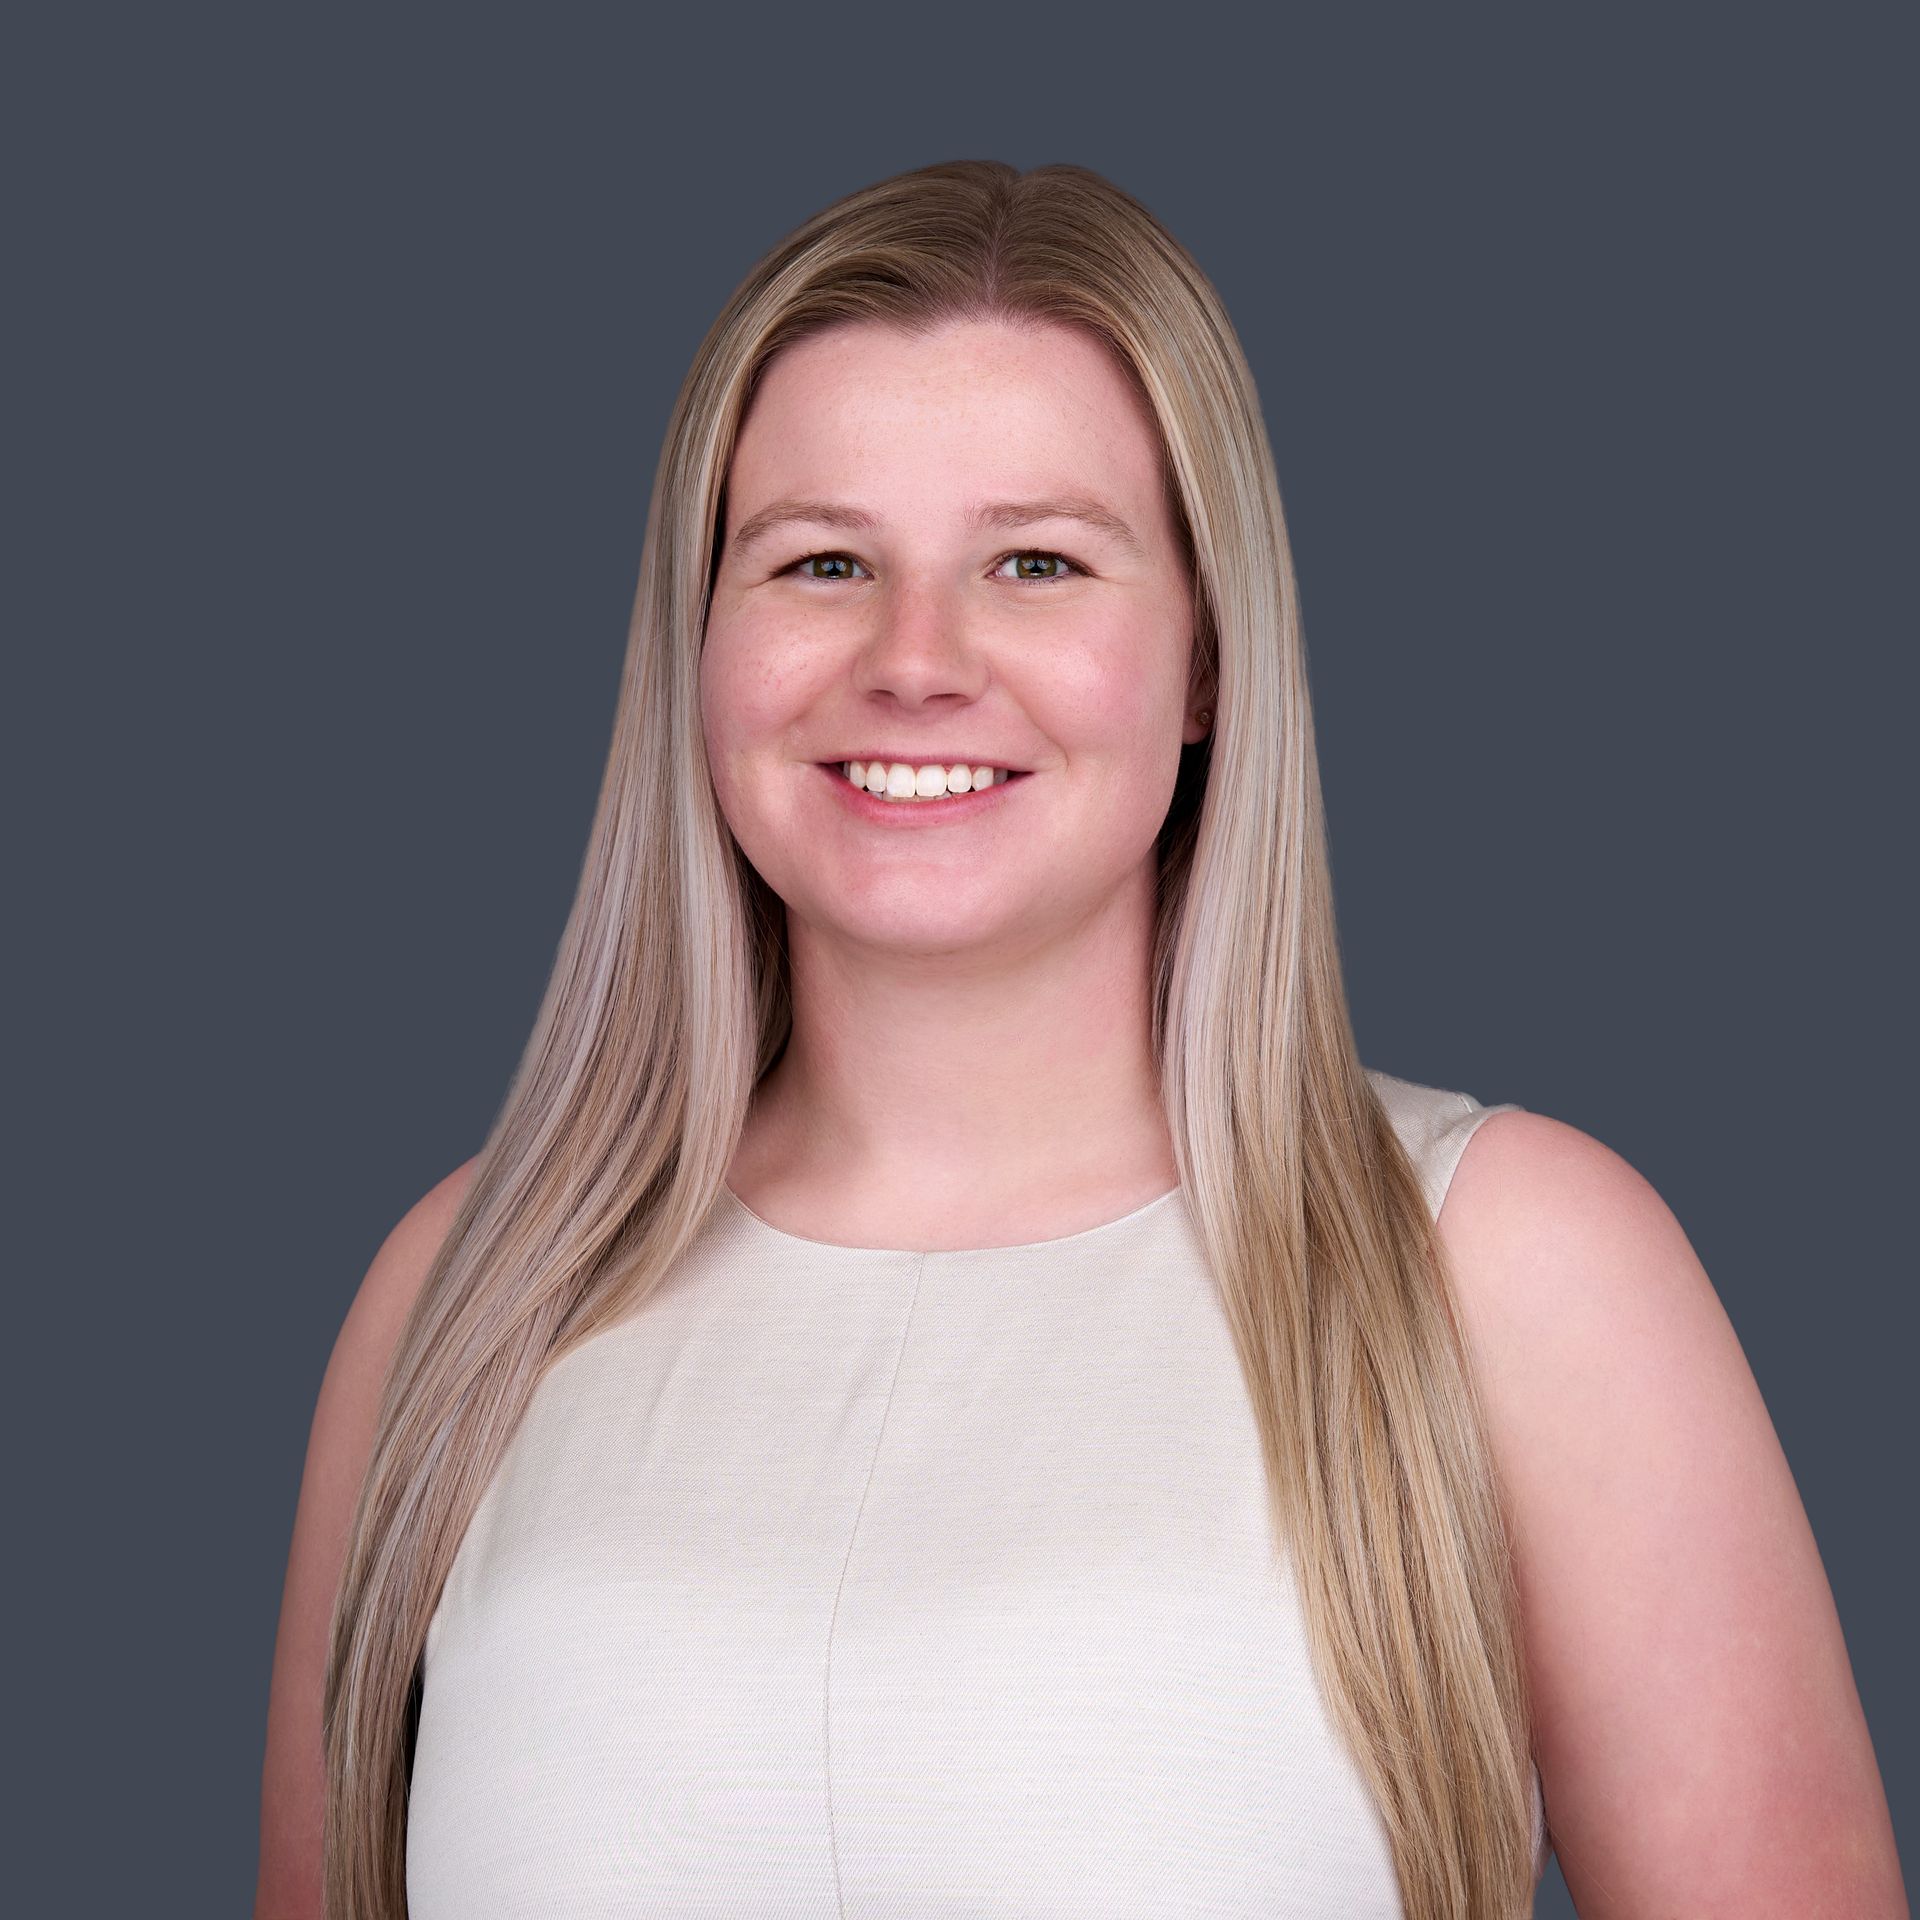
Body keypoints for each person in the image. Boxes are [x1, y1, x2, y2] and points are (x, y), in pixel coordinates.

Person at [254, 160, 1907, 1919]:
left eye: (1036, 561)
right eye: (822, 561)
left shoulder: (1510, 1270)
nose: (915, 660)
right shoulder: (462, 1301)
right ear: (701, 646)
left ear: (1205, 658)